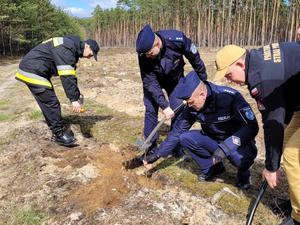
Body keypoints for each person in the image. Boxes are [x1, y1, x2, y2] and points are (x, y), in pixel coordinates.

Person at [214, 43, 300, 225]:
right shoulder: (259, 60)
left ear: (240, 65)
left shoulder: (260, 78)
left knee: (292, 155)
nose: (229, 81)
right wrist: (285, 118)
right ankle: (295, 203)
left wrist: (271, 167)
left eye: (229, 75)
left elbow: (271, 124)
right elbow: (289, 84)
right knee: (284, 144)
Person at [143, 71, 258, 190]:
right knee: (185, 138)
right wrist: (158, 154)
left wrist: (226, 147)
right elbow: (178, 131)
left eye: (191, 102)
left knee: (240, 158)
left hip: (236, 142)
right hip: (213, 140)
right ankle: (213, 168)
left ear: (202, 95)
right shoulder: (192, 106)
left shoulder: (230, 98)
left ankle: (244, 176)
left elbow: (251, 126)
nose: (190, 106)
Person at [136, 24, 207, 158]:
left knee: (178, 110)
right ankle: (149, 147)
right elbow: (150, 81)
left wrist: (203, 82)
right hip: (154, 83)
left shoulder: (177, 39)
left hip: (175, 80)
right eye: (145, 54)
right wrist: (164, 105)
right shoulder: (143, 54)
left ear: (157, 44)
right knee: (151, 110)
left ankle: (176, 147)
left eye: (150, 53)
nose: (148, 56)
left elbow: (195, 59)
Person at [15, 34, 99, 146]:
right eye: (91, 54)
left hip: (36, 70)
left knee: (49, 100)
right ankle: (58, 135)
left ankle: (55, 129)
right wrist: (74, 100)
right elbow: (66, 77)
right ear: (87, 46)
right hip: (32, 70)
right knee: (51, 102)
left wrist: (77, 96)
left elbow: (71, 76)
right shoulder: (67, 48)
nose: (89, 57)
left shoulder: (70, 46)